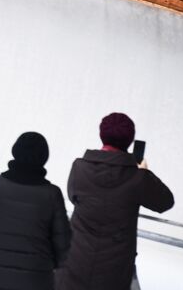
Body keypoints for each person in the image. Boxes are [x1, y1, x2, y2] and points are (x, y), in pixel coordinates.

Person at [55, 112, 175, 290]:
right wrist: (144, 173)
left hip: (75, 260)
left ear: (102, 135)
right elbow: (165, 202)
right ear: (130, 140)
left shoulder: (79, 167)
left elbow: (73, 196)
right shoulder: (138, 178)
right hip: (114, 272)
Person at [0, 132, 71, 290]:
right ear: (44, 158)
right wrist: (46, 264)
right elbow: (64, 245)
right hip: (36, 280)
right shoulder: (51, 195)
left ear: (15, 151)